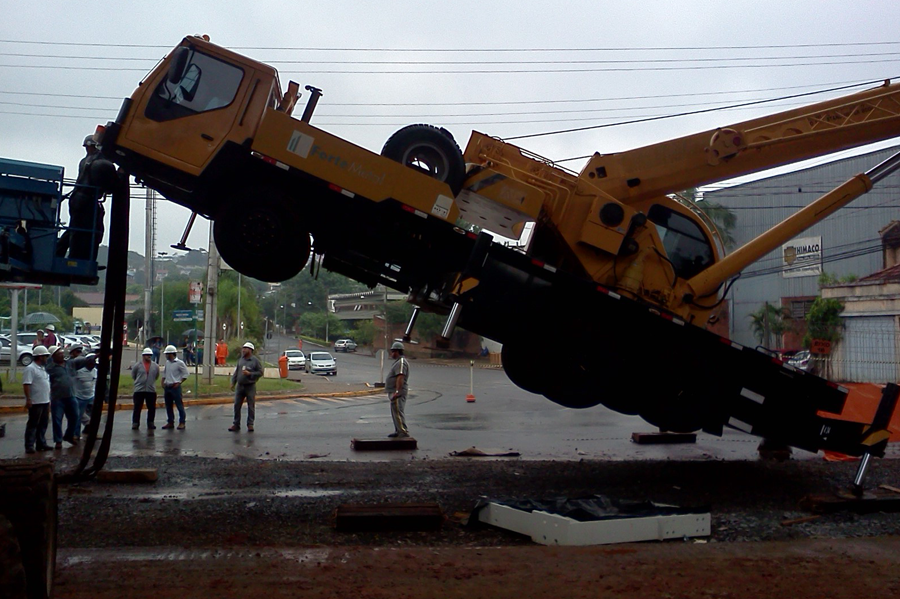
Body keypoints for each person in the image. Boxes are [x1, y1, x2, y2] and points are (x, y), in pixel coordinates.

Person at [57, 135, 111, 261]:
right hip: (86, 200)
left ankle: (60, 253)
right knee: (87, 230)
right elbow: (111, 185)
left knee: (75, 228)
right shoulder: (100, 163)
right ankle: (75, 257)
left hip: (77, 199)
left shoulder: (85, 161)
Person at [46, 345, 83, 449]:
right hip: (57, 397)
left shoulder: (69, 364)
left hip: (71, 395)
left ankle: (69, 435)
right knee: (57, 420)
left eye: (62, 353)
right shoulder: (51, 368)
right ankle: (58, 441)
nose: (61, 355)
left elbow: (83, 361)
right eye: (58, 354)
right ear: (53, 357)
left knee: (75, 416)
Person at [23, 345, 53, 454]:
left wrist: (48, 400)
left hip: (44, 400)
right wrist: (28, 399)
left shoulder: (42, 369)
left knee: (43, 424)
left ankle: (41, 443)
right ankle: (29, 445)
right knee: (33, 424)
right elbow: (27, 384)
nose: (46, 358)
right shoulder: (30, 369)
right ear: (40, 357)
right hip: (36, 401)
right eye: (45, 356)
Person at [229, 342, 262, 432]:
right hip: (240, 386)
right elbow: (237, 371)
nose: (243, 350)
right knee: (236, 405)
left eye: (245, 348)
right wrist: (233, 382)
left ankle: (250, 424)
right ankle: (236, 424)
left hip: (250, 386)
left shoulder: (255, 361)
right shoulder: (241, 360)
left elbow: (260, 372)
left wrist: (250, 374)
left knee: (250, 406)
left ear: (250, 350)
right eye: (243, 348)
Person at [131, 347, 160, 431]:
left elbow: (156, 376)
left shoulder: (155, 366)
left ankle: (150, 422)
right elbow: (134, 375)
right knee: (137, 407)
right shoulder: (137, 365)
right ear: (143, 356)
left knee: (151, 407)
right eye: (147, 355)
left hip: (151, 390)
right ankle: (135, 423)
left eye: (150, 355)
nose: (149, 356)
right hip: (139, 390)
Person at [386, 341, 411, 439]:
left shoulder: (401, 362)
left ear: (397, 351)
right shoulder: (398, 361)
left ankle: (403, 431)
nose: (392, 354)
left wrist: (397, 391)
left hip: (398, 392)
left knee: (398, 411)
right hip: (394, 391)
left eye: (393, 351)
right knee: (395, 412)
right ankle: (398, 430)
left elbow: (400, 377)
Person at [161, 345, 189, 430]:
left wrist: (179, 382)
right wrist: (163, 381)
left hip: (175, 387)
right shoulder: (167, 363)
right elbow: (165, 373)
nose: (166, 356)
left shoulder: (179, 363)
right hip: (167, 386)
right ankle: (170, 422)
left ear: (172, 354)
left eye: (167, 354)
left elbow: (186, 374)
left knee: (179, 405)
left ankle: (182, 422)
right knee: (168, 406)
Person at [73, 353, 98, 437]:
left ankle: (92, 433)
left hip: (91, 396)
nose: (93, 364)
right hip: (80, 397)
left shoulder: (95, 371)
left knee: (94, 417)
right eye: (91, 362)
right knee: (78, 417)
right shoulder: (79, 372)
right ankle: (76, 434)